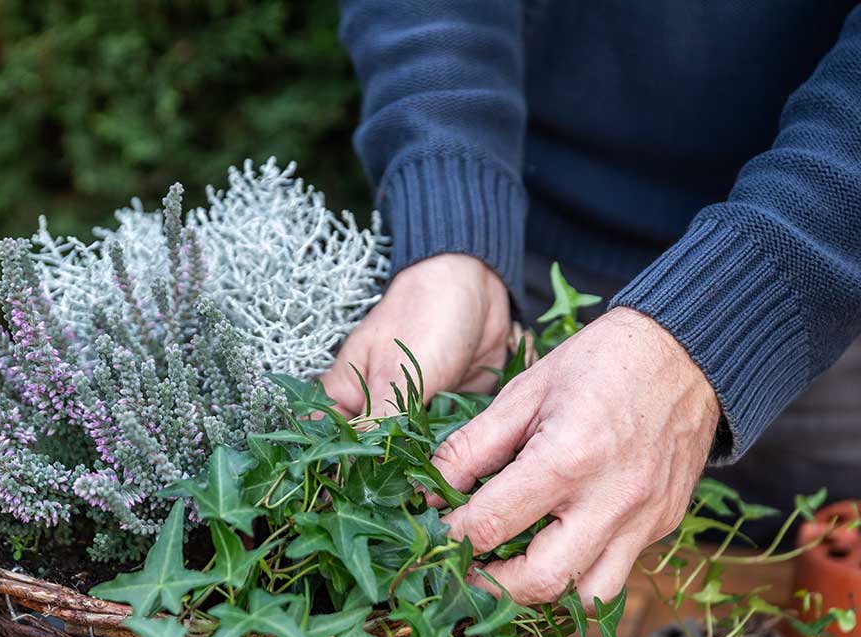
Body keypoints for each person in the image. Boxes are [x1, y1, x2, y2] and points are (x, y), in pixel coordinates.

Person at [323, 2, 861, 605]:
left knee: (804, 611)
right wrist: (456, 233)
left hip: (823, 295)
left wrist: (732, 310)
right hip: (525, 228)